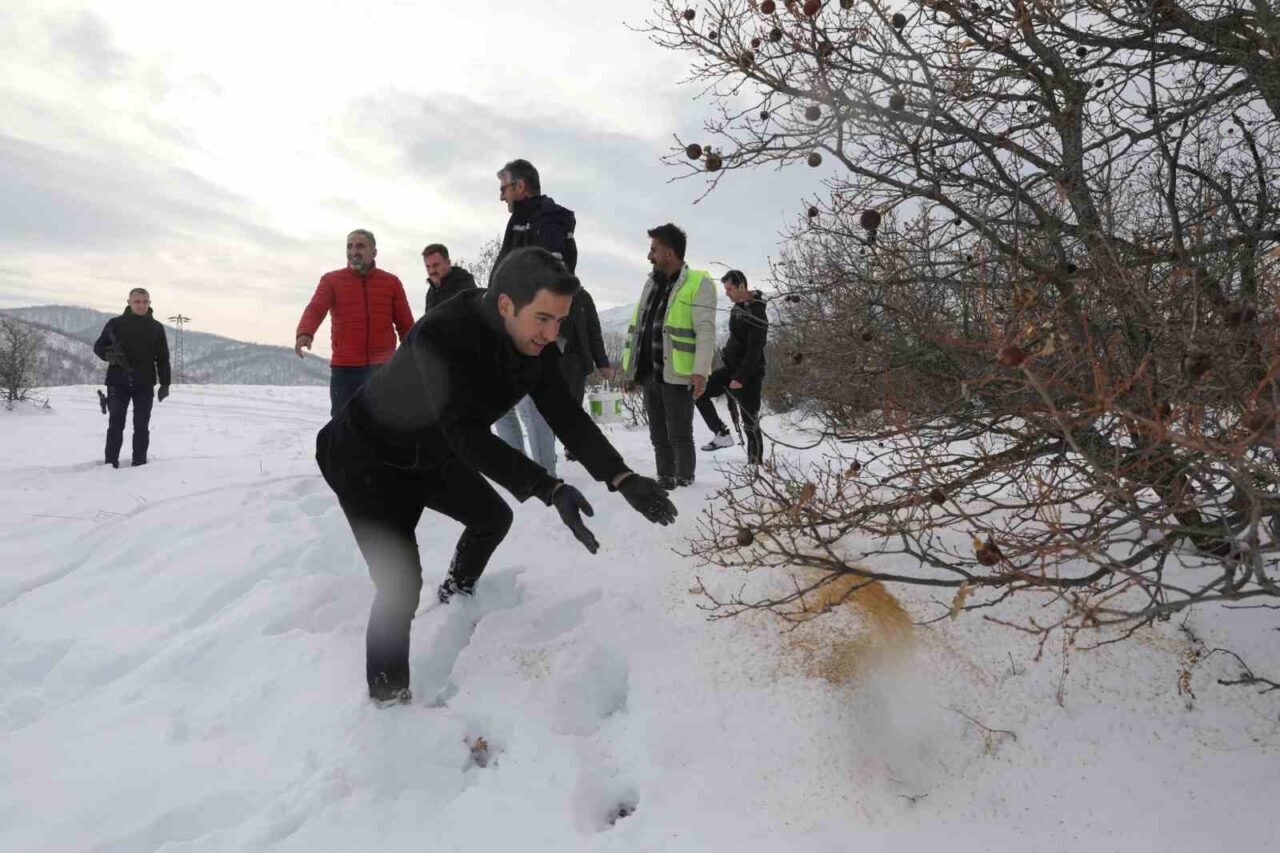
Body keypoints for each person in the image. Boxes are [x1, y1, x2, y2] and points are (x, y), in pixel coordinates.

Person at [314, 247, 677, 706]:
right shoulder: (442, 334)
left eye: (559, 320)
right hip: (365, 459)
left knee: (492, 518)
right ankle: (388, 701)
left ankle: (457, 591)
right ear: (506, 304)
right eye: (543, 318)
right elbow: (466, 435)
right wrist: (549, 487)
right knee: (399, 586)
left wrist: (621, 476)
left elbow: (565, 414)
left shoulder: (533, 345)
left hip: (429, 453)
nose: (552, 333)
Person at [491, 159, 577, 475]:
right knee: (501, 403)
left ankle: (544, 477)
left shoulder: (546, 219)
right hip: (510, 327)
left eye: (504, 188)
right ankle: (519, 472)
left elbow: (550, 278)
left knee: (532, 406)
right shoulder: (521, 221)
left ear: (520, 186)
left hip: (532, 331)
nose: (501, 196)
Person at [619, 223, 717, 489]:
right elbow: (639, 326)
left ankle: (685, 481)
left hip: (677, 373)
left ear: (670, 253)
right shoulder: (651, 282)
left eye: (654, 250)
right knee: (658, 434)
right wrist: (630, 371)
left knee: (679, 434)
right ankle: (665, 477)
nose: (649, 256)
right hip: (649, 372)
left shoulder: (698, 283)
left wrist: (700, 372)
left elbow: (706, 332)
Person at [295, 230, 414, 415]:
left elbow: (405, 323)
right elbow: (316, 308)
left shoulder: (391, 283)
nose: (353, 251)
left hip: (382, 369)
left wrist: (415, 352)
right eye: (349, 246)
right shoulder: (331, 281)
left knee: (383, 423)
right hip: (345, 369)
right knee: (343, 424)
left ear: (374, 252)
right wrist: (305, 332)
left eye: (360, 246)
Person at [92, 288, 171, 468]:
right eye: (137, 301)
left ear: (149, 303)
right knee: (115, 425)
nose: (141, 305)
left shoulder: (156, 327)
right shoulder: (115, 324)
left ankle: (140, 463)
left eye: (145, 302)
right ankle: (110, 464)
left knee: (142, 426)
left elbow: (163, 358)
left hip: (145, 384)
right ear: (129, 302)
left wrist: (165, 384)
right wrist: (109, 355)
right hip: (117, 382)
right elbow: (98, 347)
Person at [696, 270, 768, 465]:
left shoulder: (757, 312)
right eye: (726, 289)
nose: (727, 293)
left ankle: (755, 464)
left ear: (742, 286)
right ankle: (721, 433)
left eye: (729, 289)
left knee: (750, 421)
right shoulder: (737, 309)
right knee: (698, 391)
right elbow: (736, 340)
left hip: (750, 374)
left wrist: (741, 377)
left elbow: (755, 349)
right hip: (730, 370)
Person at [422, 243, 477, 314]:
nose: (432, 270)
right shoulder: (431, 292)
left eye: (436, 265)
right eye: (428, 266)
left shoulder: (464, 286)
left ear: (448, 263)